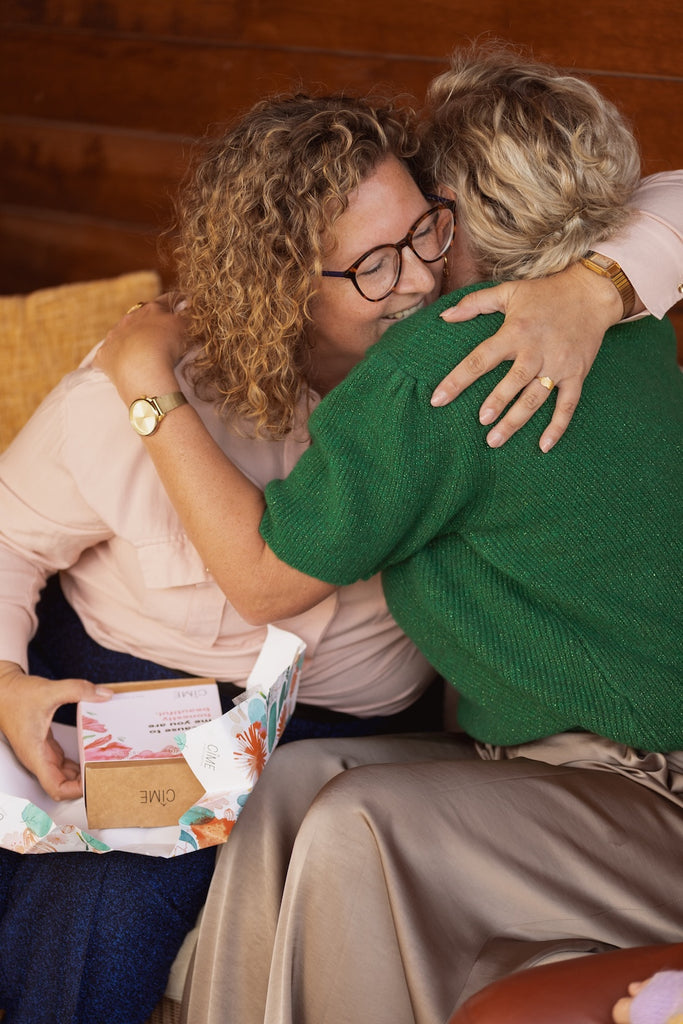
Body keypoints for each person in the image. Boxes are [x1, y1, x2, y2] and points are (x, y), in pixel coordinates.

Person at [5, 86, 675, 1024]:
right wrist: (5, 680)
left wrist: (592, 285)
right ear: (282, 284)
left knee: (281, 825)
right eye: (368, 265)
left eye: (424, 234)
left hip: (329, 716)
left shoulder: (484, 346)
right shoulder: (133, 399)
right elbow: (9, 534)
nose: (413, 279)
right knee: (100, 888)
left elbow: (662, 199)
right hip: (135, 685)